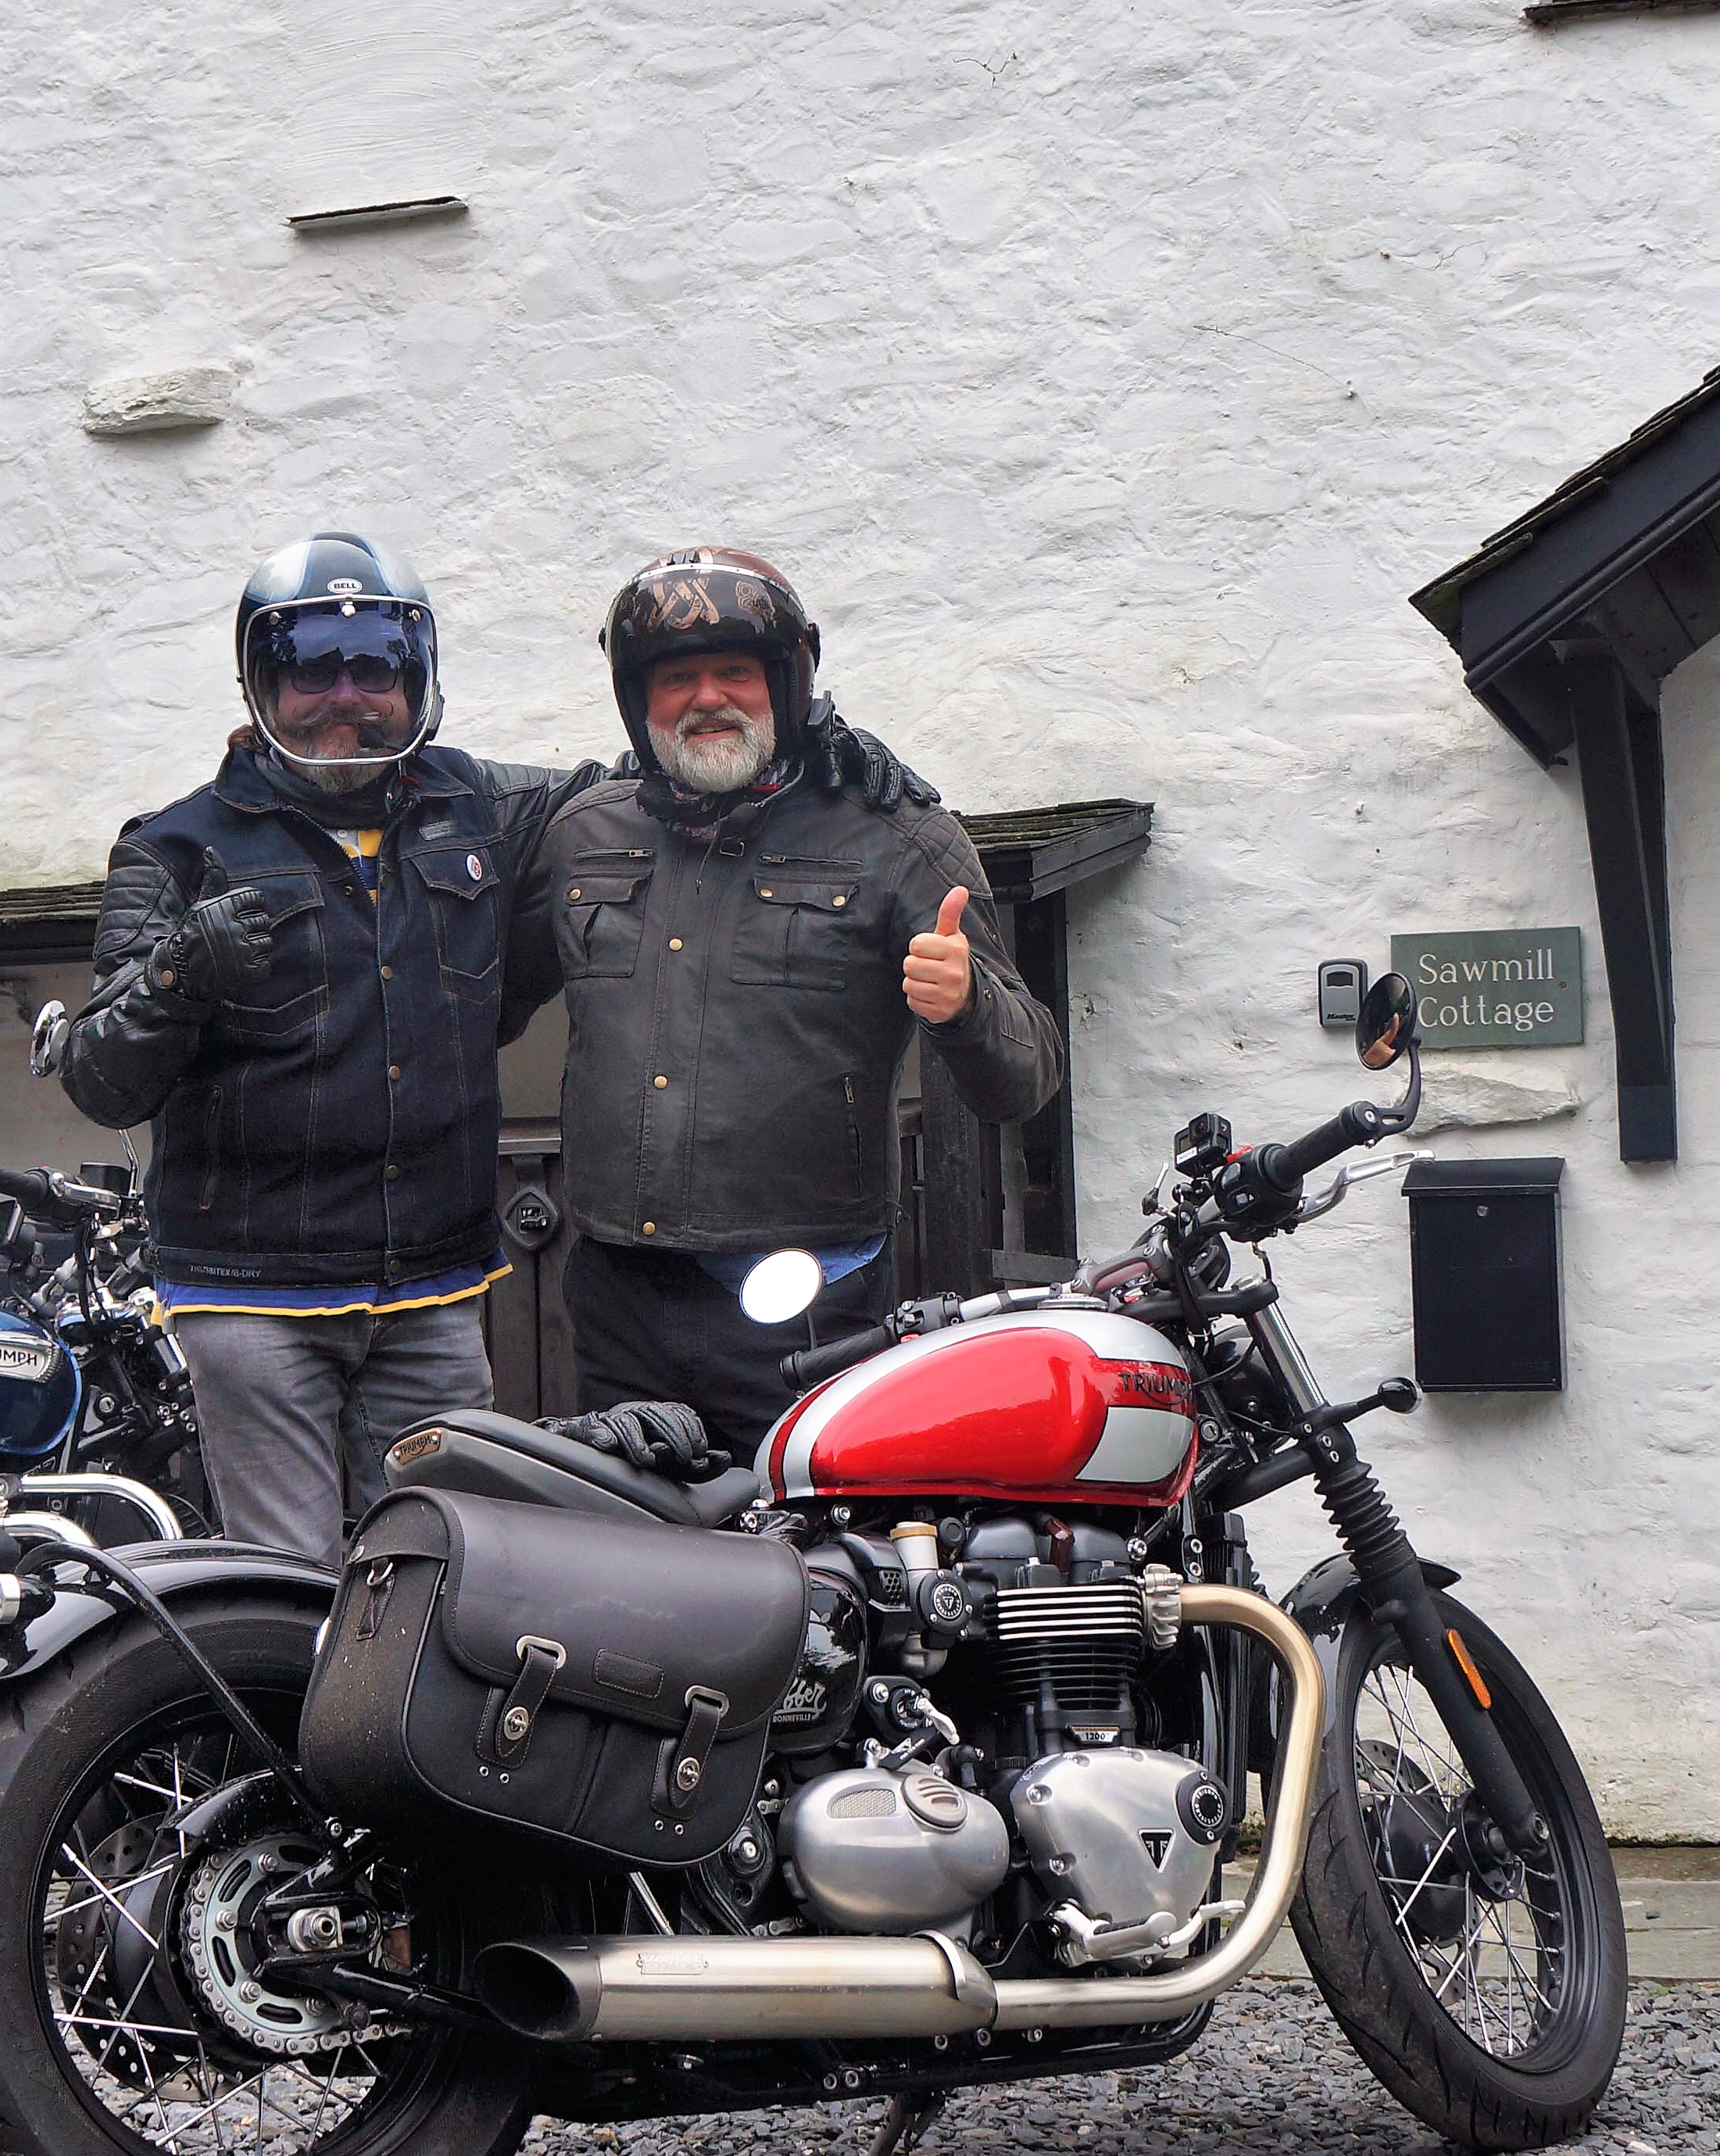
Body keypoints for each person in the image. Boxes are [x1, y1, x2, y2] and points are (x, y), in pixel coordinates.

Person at [58, 535, 929, 1558]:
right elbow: (99, 1077)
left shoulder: (482, 806)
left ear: (417, 675)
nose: (347, 695)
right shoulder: (172, 846)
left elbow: (658, 771)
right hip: (255, 1300)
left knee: (442, 1573)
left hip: (432, 1293)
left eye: (375, 667)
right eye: (313, 670)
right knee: (290, 1579)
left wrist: (820, 746)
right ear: (262, 681)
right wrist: (179, 971)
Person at [506, 546, 1064, 1464]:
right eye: (678, 677)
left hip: (810, 1308)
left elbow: (1026, 1078)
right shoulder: (584, 834)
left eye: (736, 671)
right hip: (616, 1301)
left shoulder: (896, 838)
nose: (707, 697)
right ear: (637, 700)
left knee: (806, 1575)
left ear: (789, 682)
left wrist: (965, 1007)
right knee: (629, 1573)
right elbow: (475, 1002)